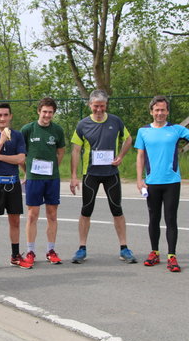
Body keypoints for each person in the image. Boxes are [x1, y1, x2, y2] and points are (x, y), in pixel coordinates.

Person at [69, 89, 137, 264]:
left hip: (111, 174)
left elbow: (128, 139)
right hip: (90, 174)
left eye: (102, 106)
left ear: (106, 105)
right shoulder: (82, 124)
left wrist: (121, 156)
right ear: (90, 105)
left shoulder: (116, 121)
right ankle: (81, 248)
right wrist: (74, 176)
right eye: (95, 106)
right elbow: (75, 151)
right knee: (86, 210)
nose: (99, 110)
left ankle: (124, 248)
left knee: (117, 209)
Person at [135, 96, 189, 272]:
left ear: (167, 111)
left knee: (171, 219)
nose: (160, 113)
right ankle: (154, 252)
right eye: (157, 110)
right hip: (151, 182)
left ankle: (171, 256)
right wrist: (139, 179)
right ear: (151, 111)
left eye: (163, 110)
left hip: (172, 181)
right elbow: (140, 156)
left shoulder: (176, 130)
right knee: (153, 218)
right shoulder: (143, 131)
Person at [0, 102, 32, 272]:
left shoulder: (17, 136)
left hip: (12, 183)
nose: (2, 118)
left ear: (10, 117)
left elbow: (20, 159)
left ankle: (15, 256)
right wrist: (1, 141)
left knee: (15, 220)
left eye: (5, 115)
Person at [21, 97, 65, 266]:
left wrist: (54, 168)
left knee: (52, 214)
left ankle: (51, 250)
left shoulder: (57, 130)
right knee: (32, 215)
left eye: (50, 112)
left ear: (53, 113)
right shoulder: (28, 129)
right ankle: (30, 251)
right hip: (34, 179)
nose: (47, 115)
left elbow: (61, 152)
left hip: (52, 178)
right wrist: (26, 172)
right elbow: (21, 155)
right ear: (39, 111)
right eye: (44, 111)